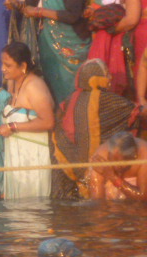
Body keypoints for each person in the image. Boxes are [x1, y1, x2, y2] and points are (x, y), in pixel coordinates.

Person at [6, 0, 90, 103]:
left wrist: (39, 12)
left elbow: (72, 16)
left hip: (72, 44)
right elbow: (30, 2)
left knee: (72, 87)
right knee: (52, 81)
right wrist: (17, 4)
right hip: (49, 43)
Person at [53, 59, 141, 198]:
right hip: (96, 170)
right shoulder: (106, 99)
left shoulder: (69, 100)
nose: (110, 78)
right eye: (106, 74)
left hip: (67, 169)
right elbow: (135, 112)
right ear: (96, 77)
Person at [0, 42, 55, 199]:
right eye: (2, 64)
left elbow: (48, 122)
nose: (2, 69)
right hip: (14, 154)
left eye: (8, 65)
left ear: (23, 66)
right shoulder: (12, 81)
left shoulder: (34, 86)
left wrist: (12, 126)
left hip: (33, 155)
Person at [88, 131, 147, 201]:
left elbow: (143, 197)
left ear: (133, 157)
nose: (115, 166)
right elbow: (97, 201)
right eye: (111, 159)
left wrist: (113, 178)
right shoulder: (101, 157)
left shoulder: (144, 154)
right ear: (109, 154)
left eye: (120, 164)